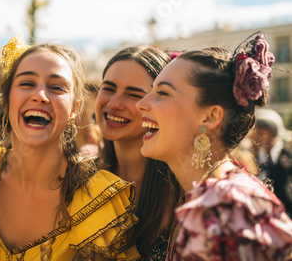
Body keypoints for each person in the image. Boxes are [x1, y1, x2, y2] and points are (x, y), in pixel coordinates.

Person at [0, 36, 140, 260]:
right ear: (7, 100)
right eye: (27, 83)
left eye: (57, 87)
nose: (40, 96)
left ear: (74, 109)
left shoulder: (97, 199)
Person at [136, 33, 292, 260]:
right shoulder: (213, 197)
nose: (141, 104)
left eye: (162, 93)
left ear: (210, 117)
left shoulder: (226, 204)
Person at [95, 46, 181, 260]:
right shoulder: (79, 180)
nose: (114, 103)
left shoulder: (183, 193)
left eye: (133, 94)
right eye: (108, 88)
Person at [252, 108, 292, 214]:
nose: (251, 135)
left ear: (266, 133)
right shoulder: (253, 157)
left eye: (255, 131)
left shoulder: (288, 157)